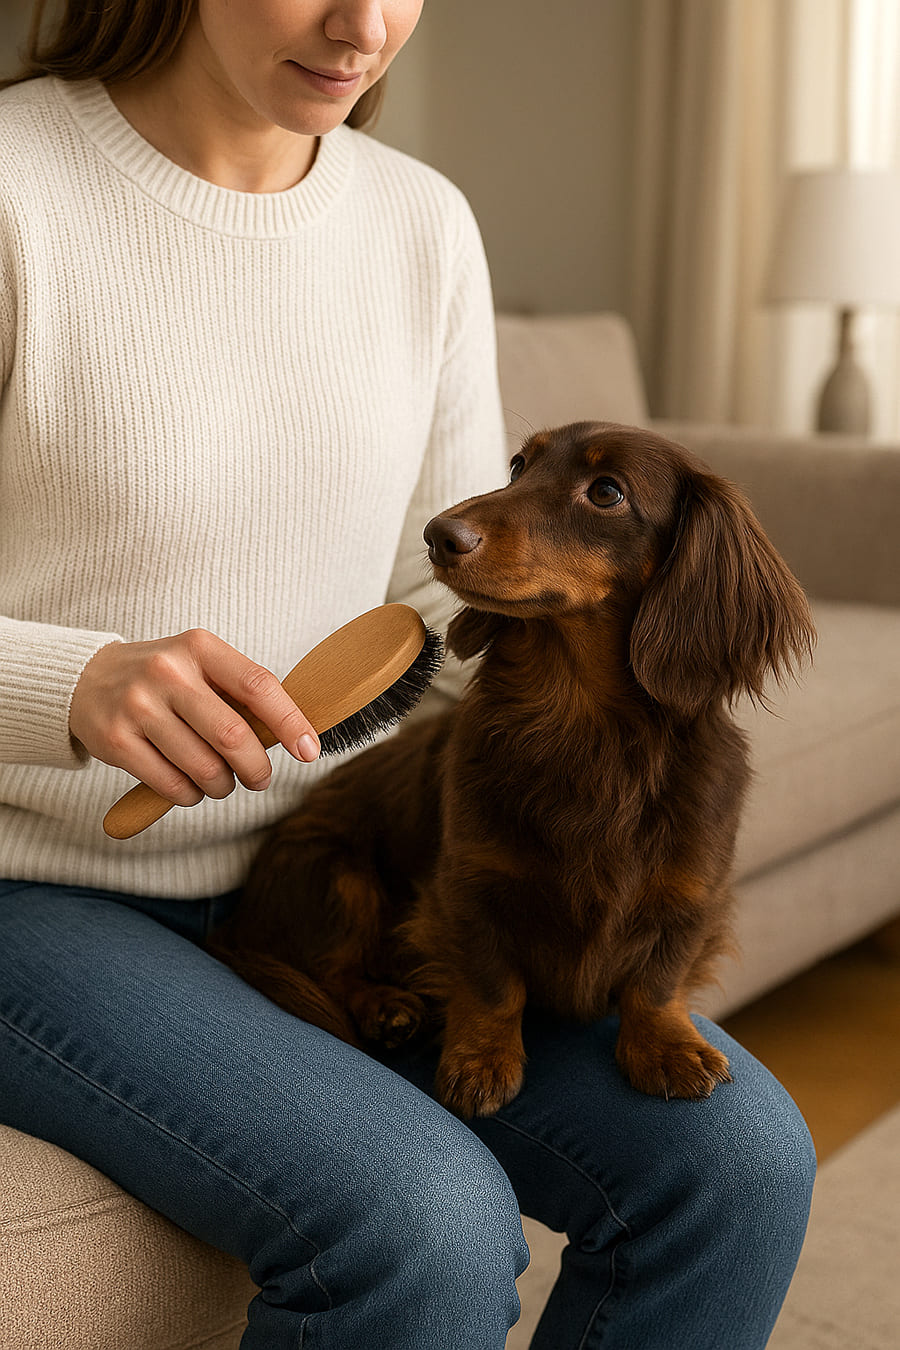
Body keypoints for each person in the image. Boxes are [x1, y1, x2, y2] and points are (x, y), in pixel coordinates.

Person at [0, 2, 816, 1346]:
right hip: (37, 890)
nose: (364, 24)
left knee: (739, 1167)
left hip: (335, 857)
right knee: (422, 1221)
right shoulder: (20, 189)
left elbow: (447, 597)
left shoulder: (420, 222)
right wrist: (66, 683)